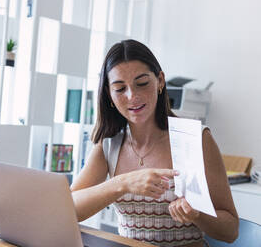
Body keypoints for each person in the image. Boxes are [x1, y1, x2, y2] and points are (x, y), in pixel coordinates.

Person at [70, 39, 239, 247]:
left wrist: (196, 215)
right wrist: (123, 183)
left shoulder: (197, 140)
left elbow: (230, 230)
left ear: (160, 81)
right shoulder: (108, 146)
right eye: (120, 88)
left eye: (142, 83)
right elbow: (68, 208)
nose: (132, 96)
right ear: (109, 94)